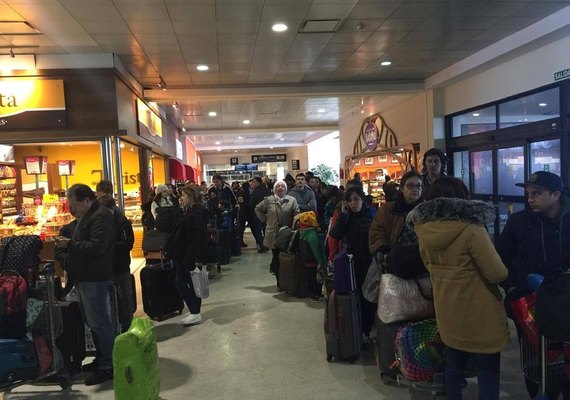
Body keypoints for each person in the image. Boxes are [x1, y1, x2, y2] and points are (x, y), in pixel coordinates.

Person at [407, 177, 508, 400]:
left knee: (453, 366)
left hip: (447, 310)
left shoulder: (423, 230)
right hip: (480, 314)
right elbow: (496, 272)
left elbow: (428, 265)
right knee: (487, 370)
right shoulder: (472, 229)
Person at [496, 171, 570, 399]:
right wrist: (511, 287)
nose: (530, 199)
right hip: (528, 301)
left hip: (564, 300)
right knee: (533, 357)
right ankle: (536, 391)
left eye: (537, 194)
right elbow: (500, 255)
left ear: (556, 194)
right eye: (528, 194)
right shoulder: (519, 222)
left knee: (564, 352)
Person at [56, 184, 117, 385]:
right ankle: (102, 359)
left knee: (100, 322)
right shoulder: (91, 215)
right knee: (94, 321)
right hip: (86, 276)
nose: (73, 209)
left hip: (95, 277)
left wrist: (70, 244)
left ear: (87, 200)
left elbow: (97, 247)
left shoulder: (100, 216)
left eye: (75, 204)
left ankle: (108, 364)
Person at [329, 186, 375, 345]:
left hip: (369, 262)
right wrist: (343, 215)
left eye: (356, 199)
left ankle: (366, 331)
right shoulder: (347, 217)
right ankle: (356, 331)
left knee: (367, 297)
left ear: (362, 199)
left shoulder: (372, 214)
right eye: (350, 200)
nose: (354, 203)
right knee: (353, 297)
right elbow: (335, 234)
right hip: (351, 263)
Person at [95, 181, 135, 334]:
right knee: (116, 300)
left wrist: (107, 245)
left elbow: (127, 243)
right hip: (109, 267)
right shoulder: (109, 219)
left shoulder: (120, 220)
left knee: (123, 299)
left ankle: (127, 329)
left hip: (119, 266)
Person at [176, 186, 210, 326]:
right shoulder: (190, 210)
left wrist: (197, 257)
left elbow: (198, 236)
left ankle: (195, 312)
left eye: (184, 195)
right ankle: (195, 312)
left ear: (191, 197)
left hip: (191, 255)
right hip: (188, 253)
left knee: (181, 282)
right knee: (193, 283)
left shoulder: (196, 213)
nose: (181, 198)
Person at [255, 180, 300, 286]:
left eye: (282, 186)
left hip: (287, 234)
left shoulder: (291, 200)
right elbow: (258, 209)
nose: (280, 187)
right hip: (273, 233)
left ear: (285, 189)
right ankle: (279, 282)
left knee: (286, 258)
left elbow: (297, 213)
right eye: (278, 186)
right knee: (276, 257)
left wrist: (294, 225)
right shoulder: (269, 200)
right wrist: (265, 220)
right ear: (274, 189)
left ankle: (287, 281)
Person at [369, 170, 423, 256]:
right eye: (410, 186)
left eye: (418, 186)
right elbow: (376, 232)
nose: (415, 189)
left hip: (422, 257)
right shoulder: (388, 209)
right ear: (402, 188)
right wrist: (383, 250)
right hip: (395, 257)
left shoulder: (426, 210)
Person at [249, 177, 271, 253]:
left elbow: (251, 204)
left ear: (259, 182)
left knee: (257, 231)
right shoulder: (267, 191)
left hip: (257, 214)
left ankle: (262, 246)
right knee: (266, 230)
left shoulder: (255, 192)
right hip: (267, 213)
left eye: (254, 182)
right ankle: (267, 244)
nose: (252, 184)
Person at [236, 181, 251, 247]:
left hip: (241, 211)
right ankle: (240, 241)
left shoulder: (239, 193)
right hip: (246, 211)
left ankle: (240, 241)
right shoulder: (246, 193)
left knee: (241, 227)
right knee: (242, 228)